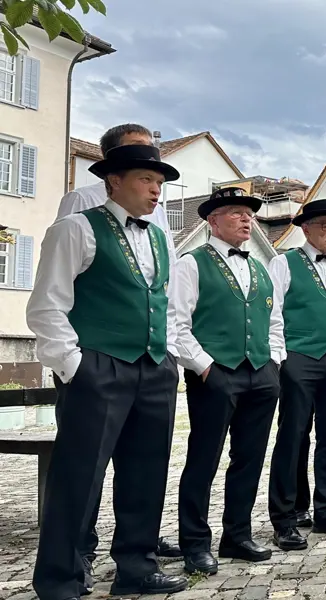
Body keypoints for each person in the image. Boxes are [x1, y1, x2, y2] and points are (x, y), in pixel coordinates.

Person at [28, 144, 188, 599]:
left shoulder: (161, 238)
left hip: (154, 368)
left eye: (160, 184)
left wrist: (169, 355)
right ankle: (60, 579)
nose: (157, 191)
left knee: (146, 473)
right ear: (114, 180)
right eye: (146, 180)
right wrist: (75, 366)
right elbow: (47, 307)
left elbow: (168, 305)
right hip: (98, 367)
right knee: (79, 476)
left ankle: (137, 567)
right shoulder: (76, 228)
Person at [174, 187, 284, 574]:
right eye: (235, 212)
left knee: (250, 458)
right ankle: (195, 543)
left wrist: (273, 363)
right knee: (203, 459)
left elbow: (274, 322)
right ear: (212, 220)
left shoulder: (260, 267)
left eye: (248, 213)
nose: (245, 219)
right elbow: (177, 324)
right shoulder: (191, 263)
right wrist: (205, 367)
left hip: (260, 374)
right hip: (214, 374)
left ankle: (236, 535)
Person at [267, 199, 326, 550]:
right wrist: (280, 357)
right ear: (305, 228)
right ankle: (286, 517)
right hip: (299, 357)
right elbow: (273, 313)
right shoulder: (284, 263)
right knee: (293, 436)